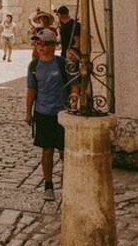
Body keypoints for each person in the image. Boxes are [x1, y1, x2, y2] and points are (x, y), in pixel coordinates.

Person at [25, 29, 79, 202]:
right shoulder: (34, 66)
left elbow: (74, 84)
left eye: (43, 43)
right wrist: (28, 112)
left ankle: (68, 182)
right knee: (47, 151)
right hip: (43, 113)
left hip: (62, 113)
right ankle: (48, 185)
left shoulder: (63, 63)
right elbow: (31, 90)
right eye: (37, 43)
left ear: (53, 46)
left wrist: (73, 101)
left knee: (65, 151)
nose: (39, 46)